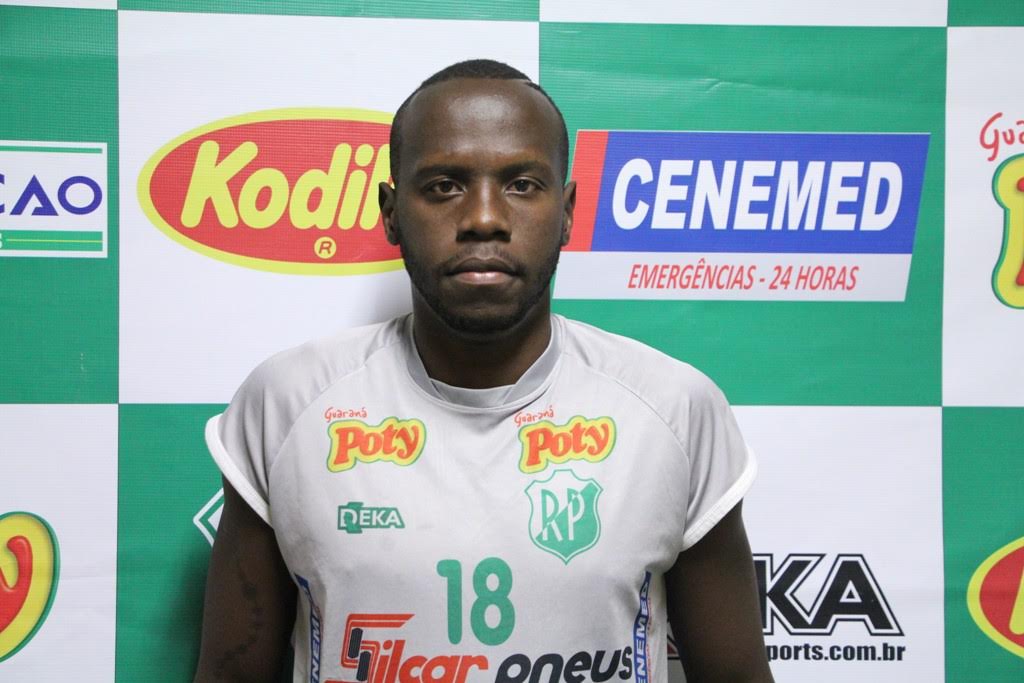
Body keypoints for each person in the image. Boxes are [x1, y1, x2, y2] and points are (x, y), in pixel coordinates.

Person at [194, 59, 773, 683]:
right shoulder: (287, 404)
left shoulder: (674, 409)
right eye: (444, 186)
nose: (484, 218)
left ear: (567, 211)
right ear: (391, 211)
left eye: (522, 184)